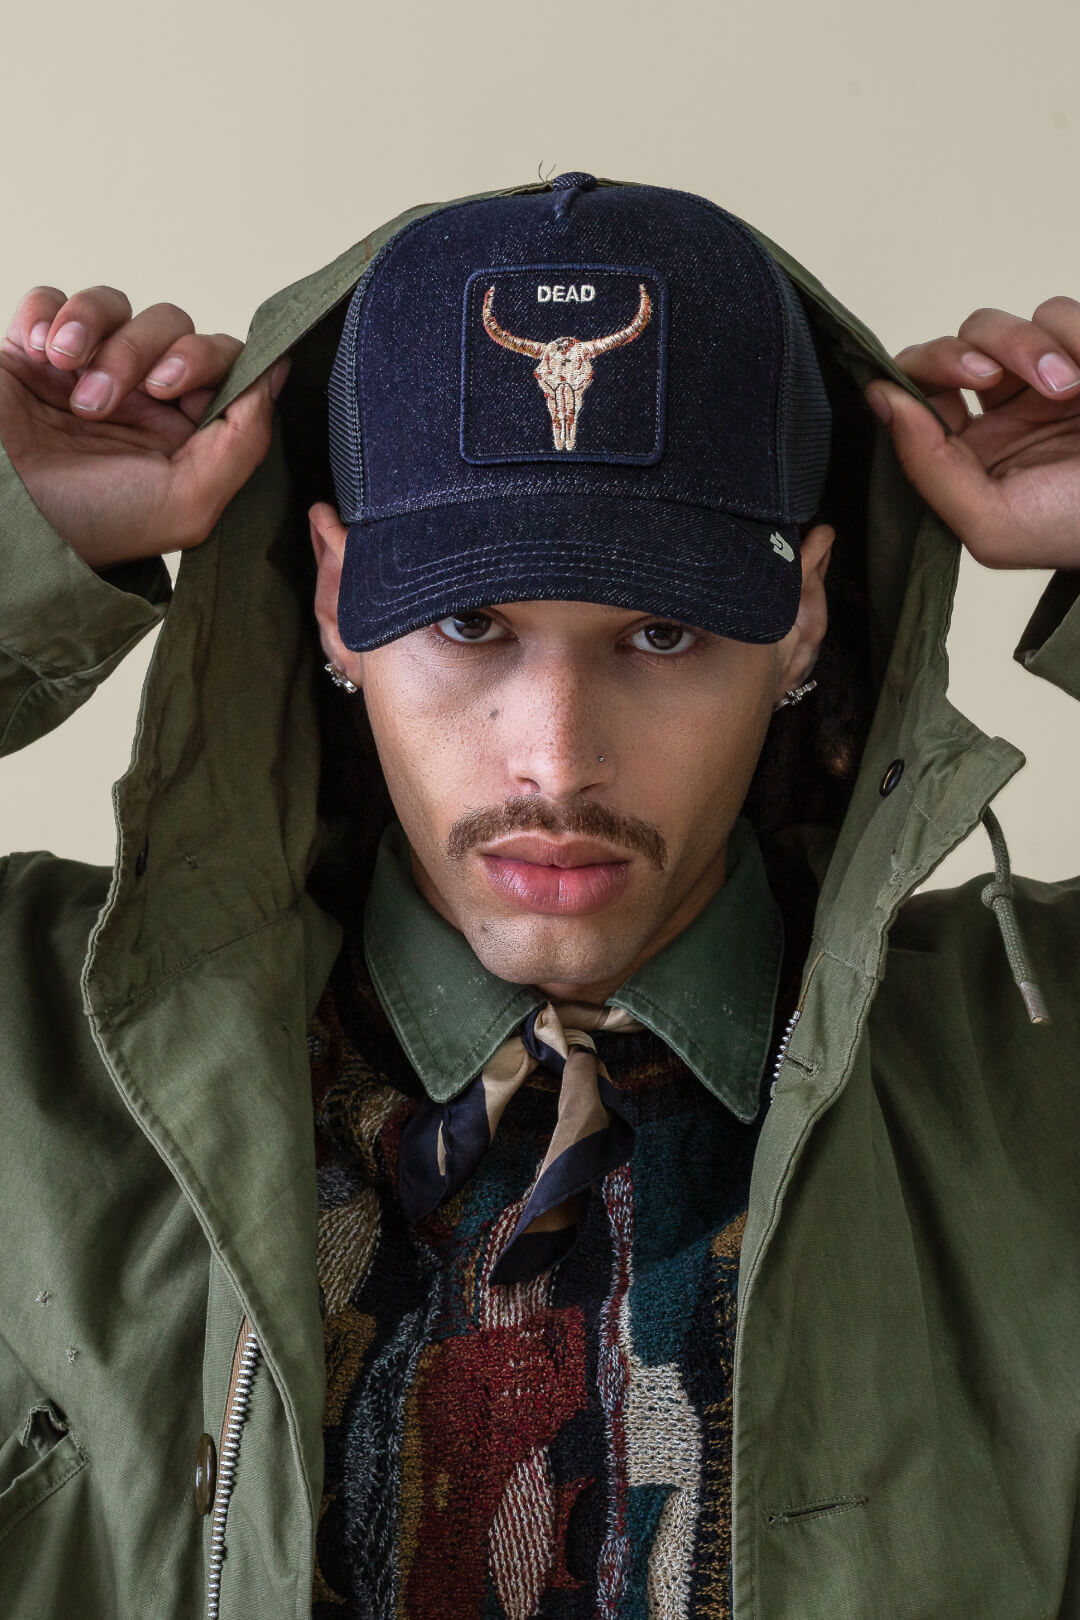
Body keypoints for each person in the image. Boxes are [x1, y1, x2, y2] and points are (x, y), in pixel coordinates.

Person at [0, 172, 1077, 1620]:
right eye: (468, 622)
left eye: (660, 630)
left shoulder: (1039, 1069)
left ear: (801, 616)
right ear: (336, 602)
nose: (556, 756)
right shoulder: (33, 1055)